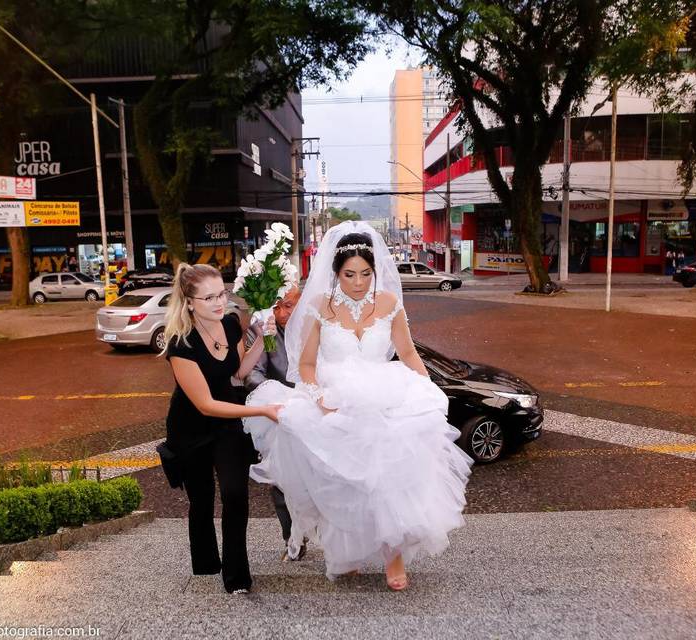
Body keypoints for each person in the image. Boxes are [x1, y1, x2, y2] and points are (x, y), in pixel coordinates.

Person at [243, 222, 473, 591]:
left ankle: (393, 558)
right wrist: (319, 399)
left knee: (387, 479)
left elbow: (408, 352)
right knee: (342, 482)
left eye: (366, 273)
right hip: (335, 399)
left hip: (384, 395)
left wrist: (427, 388)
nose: (358, 282)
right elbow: (304, 365)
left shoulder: (389, 303)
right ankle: (345, 554)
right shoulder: (319, 306)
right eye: (349, 274)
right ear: (336, 273)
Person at [161, 263, 281, 594]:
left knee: (234, 494)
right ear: (188, 302)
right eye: (209, 297)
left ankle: (237, 577)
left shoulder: (229, 324)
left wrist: (262, 338)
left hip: (229, 423)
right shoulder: (180, 344)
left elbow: (240, 372)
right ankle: (205, 565)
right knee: (202, 499)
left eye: (222, 294)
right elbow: (205, 405)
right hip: (192, 428)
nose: (219, 303)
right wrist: (261, 410)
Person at [243, 287, 304, 562]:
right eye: (277, 307)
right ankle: (292, 540)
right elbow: (252, 373)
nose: (282, 314)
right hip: (281, 412)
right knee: (281, 480)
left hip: (318, 405)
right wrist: (277, 395)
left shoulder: (319, 322)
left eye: (289, 306)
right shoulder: (260, 327)